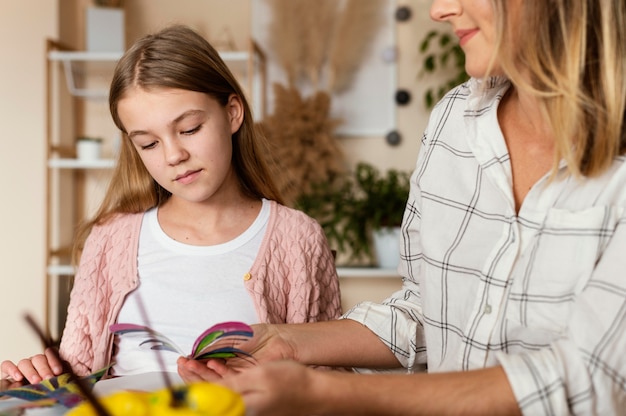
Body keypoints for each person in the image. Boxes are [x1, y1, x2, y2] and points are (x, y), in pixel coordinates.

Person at [177, 0, 626, 414]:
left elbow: (590, 377)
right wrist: (287, 341)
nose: (440, 9)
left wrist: (324, 393)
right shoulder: (454, 121)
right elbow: (426, 313)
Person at [1, 24, 341, 384]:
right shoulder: (110, 240)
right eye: (149, 144)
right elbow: (75, 379)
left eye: (190, 128)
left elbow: (330, 384)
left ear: (232, 113)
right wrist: (35, 383)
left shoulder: (297, 239)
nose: (174, 155)